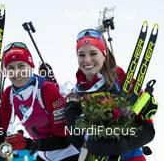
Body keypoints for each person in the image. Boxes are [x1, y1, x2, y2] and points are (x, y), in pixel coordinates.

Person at [64, 29, 156, 161]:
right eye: (81, 55)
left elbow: (148, 131)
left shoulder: (123, 80)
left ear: (104, 54)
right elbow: (77, 138)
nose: (87, 60)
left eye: (93, 53)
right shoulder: (77, 90)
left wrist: (120, 146)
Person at [0, 42, 79, 161]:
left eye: (21, 66)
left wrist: (29, 144)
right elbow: (0, 133)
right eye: (11, 68)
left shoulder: (47, 90)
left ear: (31, 66)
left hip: (68, 152)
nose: (17, 72)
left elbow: (64, 140)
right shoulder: (8, 93)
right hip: (43, 153)